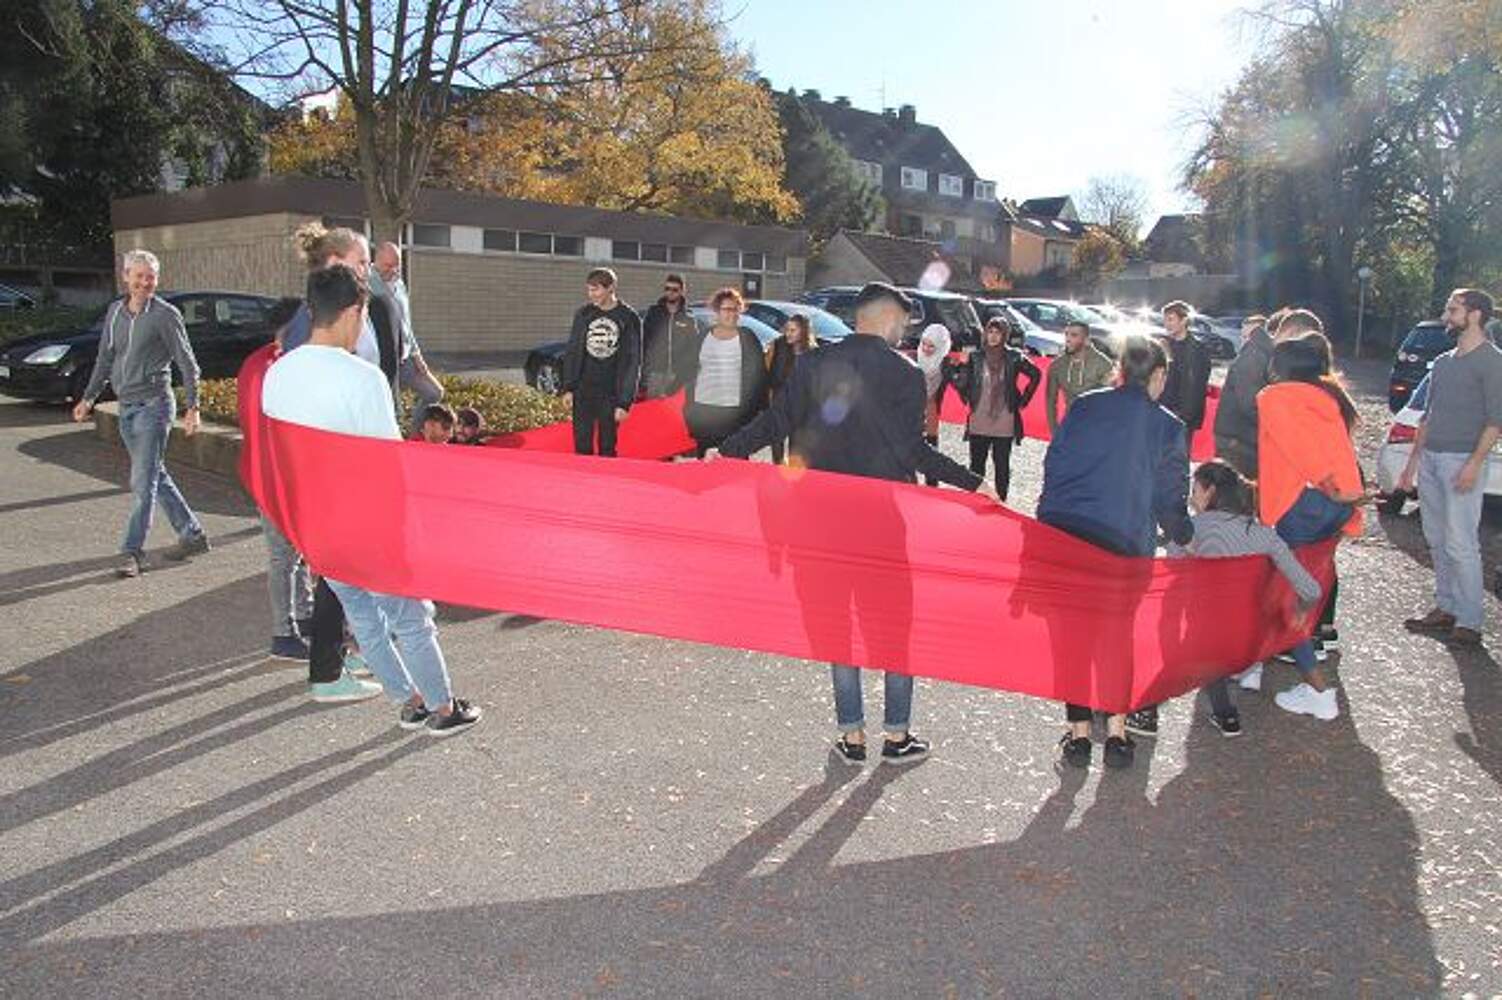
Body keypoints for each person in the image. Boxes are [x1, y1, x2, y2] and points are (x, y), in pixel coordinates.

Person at [719, 282, 988, 765]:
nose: (904, 330)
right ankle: (897, 735)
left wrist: (726, 453)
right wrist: (973, 484)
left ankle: (853, 736)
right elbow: (914, 451)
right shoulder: (906, 375)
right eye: (902, 321)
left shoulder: (812, 364)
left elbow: (775, 422)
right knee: (894, 629)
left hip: (821, 527)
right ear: (884, 318)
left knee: (836, 627)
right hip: (882, 527)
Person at [262, 263, 482, 736]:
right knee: (411, 618)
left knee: (363, 617)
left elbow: (281, 463)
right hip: (367, 522)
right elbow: (387, 466)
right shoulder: (362, 379)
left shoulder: (277, 375)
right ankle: (443, 708)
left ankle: (409, 702)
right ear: (353, 312)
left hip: (318, 524)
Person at [1037, 335, 1192, 769]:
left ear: (1120, 369)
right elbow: (1169, 498)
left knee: (1071, 638)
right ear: (1157, 375)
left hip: (1068, 536)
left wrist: (1044, 528)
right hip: (1124, 543)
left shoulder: (1085, 406)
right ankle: (1118, 733)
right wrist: (1185, 535)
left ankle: (1079, 735)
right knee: (1118, 639)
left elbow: (1055, 465)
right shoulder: (1168, 426)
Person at [72, 250, 210, 578]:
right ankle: (192, 534)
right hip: (127, 407)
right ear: (126, 277)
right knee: (152, 475)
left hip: (154, 406)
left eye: (150, 277)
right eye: (138, 276)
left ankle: (133, 552)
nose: (144, 282)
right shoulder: (115, 312)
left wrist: (193, 407)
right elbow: (105, 358)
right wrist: (88, 397)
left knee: (142, 482)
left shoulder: (165, 314)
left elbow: (187, 362)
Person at [1168, 460, 1322, 736]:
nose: (1191, 498)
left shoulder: (1191, 529)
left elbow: (1170, 578)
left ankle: (1226, 714)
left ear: (1210, 492)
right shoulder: (1263, 535)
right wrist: (1301, 611)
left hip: (1208, 639)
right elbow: (1311, 590)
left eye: (1195, 490)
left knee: (1207, 623)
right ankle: (1247, 672)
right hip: (1253, 637)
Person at [1256, 333, 1364, 720]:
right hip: (1334, 507)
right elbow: (1338, 450)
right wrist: (1343, 492)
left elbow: (1296, 445)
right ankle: (1254, 664)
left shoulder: (1273, 397)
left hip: (1301, 503)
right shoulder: (1328, 398)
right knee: (1290, 590)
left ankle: (1318, 691)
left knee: (1283, 596)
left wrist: (1325, 483)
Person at [1399, 288, 1502, 650]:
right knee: (1437, 538)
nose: (1446, 317)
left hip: (1463, 461)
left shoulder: (1493, 362)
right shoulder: (1443, 362)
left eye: (1452, 310)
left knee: (1461, 542)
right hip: (1431, 460)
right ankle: (1446, 608)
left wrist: (1474, 464)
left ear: (1475, 315)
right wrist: (1411, 466)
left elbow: (1496, 421)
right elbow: (1428, 417)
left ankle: (1469, 622)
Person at [281, 224, 399, 390]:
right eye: (362, 263)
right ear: (334, 262)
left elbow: (388, 367)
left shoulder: (377, 308)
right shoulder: (308, 318)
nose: (368, 272)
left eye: (368, 264)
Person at [953, 316, 1041, 501]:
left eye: (997, 332)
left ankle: (1001, 503)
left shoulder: (1014, 356)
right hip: (979, 418)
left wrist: (1023, 400)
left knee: (1002, 466)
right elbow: (961, 385)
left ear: (1005, 335)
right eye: (990, 332)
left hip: (1004, 420)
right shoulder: (976, 356)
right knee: (976, 466)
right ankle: (976, 503)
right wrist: (963, 365)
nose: (993, 336)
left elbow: (1036, 374)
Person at [560, 268, 641, 457]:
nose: (591, 295)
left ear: (610, 288)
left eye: (596, 289)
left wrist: (624, 402)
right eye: (589, 289)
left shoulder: (628, 317)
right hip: (583, 391)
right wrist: (569, 387)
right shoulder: (584, 314)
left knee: (607, 447)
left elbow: (633, 361)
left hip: (610, 393)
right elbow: (573, 351)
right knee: (581, 446)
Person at [682, 288, 768, 458]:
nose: (732, 314)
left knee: (734, 463)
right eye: (727, 309)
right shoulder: (703, 337)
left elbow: (759, 377)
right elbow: (688, 371)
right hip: (703, 411)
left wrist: (756, 412)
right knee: (706, 463)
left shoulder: (748, 338)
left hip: (734, 415)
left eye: (736, 309)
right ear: (717, 311)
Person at [371, 242, 444, 436]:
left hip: (405, 358)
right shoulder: (367, 284)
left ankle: (412, 435)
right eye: (388, 265)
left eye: (396, 265)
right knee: (392, 411)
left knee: (434, 392)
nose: (393, 270)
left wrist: (417, 355)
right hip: (384, 361)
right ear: (376, 260)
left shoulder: (400, 284)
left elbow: (406, 324)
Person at [765, 313, 818, 464]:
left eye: (793, 330)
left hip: (800, 404)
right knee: (776, 440)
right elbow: (767, 372)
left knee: (797, 445)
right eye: (787, 329)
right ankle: (777, 468)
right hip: (779, 399)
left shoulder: (813, 351)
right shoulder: (777, 345)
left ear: (803, 331)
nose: (788, 333)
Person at [1043, 319, 1114, 433]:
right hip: (1070, 426)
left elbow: (1110, 403)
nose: (1068, 339)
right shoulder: (1057, 365)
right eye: (1066, 334)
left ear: (1086, 340)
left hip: (1096, 428)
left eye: (1074, 335)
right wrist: (1054, 431)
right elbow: (1050, 400)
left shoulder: (1103, 364)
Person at [1157, 300, 1212, 436]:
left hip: (1182, 418)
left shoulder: (1198, 349)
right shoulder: (1165, 344)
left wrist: (1182, 417)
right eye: (1165, 320)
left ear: (1184, 320)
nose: (1166, 324)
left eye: (1171, 319)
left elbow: (1195, 387)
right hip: (1162, 413)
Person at [639, 273, 698, 398]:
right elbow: (644, 341)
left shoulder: (688, 318)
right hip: (655, 375)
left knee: (676, 410)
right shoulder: (654, 313)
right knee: (654, 407)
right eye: (667, 289)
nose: (670, 292)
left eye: (674, 290)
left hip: (679, 376)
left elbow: (693, 349)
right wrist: (644, 372)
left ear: (682, 291)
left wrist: (687, 373)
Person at [913, 323, 953, 485]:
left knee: (931, 452)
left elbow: (960, 385)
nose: (926, 349)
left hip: (931, 414)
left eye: (931, 346)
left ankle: (931, 486)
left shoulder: (946, 364)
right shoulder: (912, 359)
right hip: (911, 414)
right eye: (924, 344)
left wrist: (962, 367)